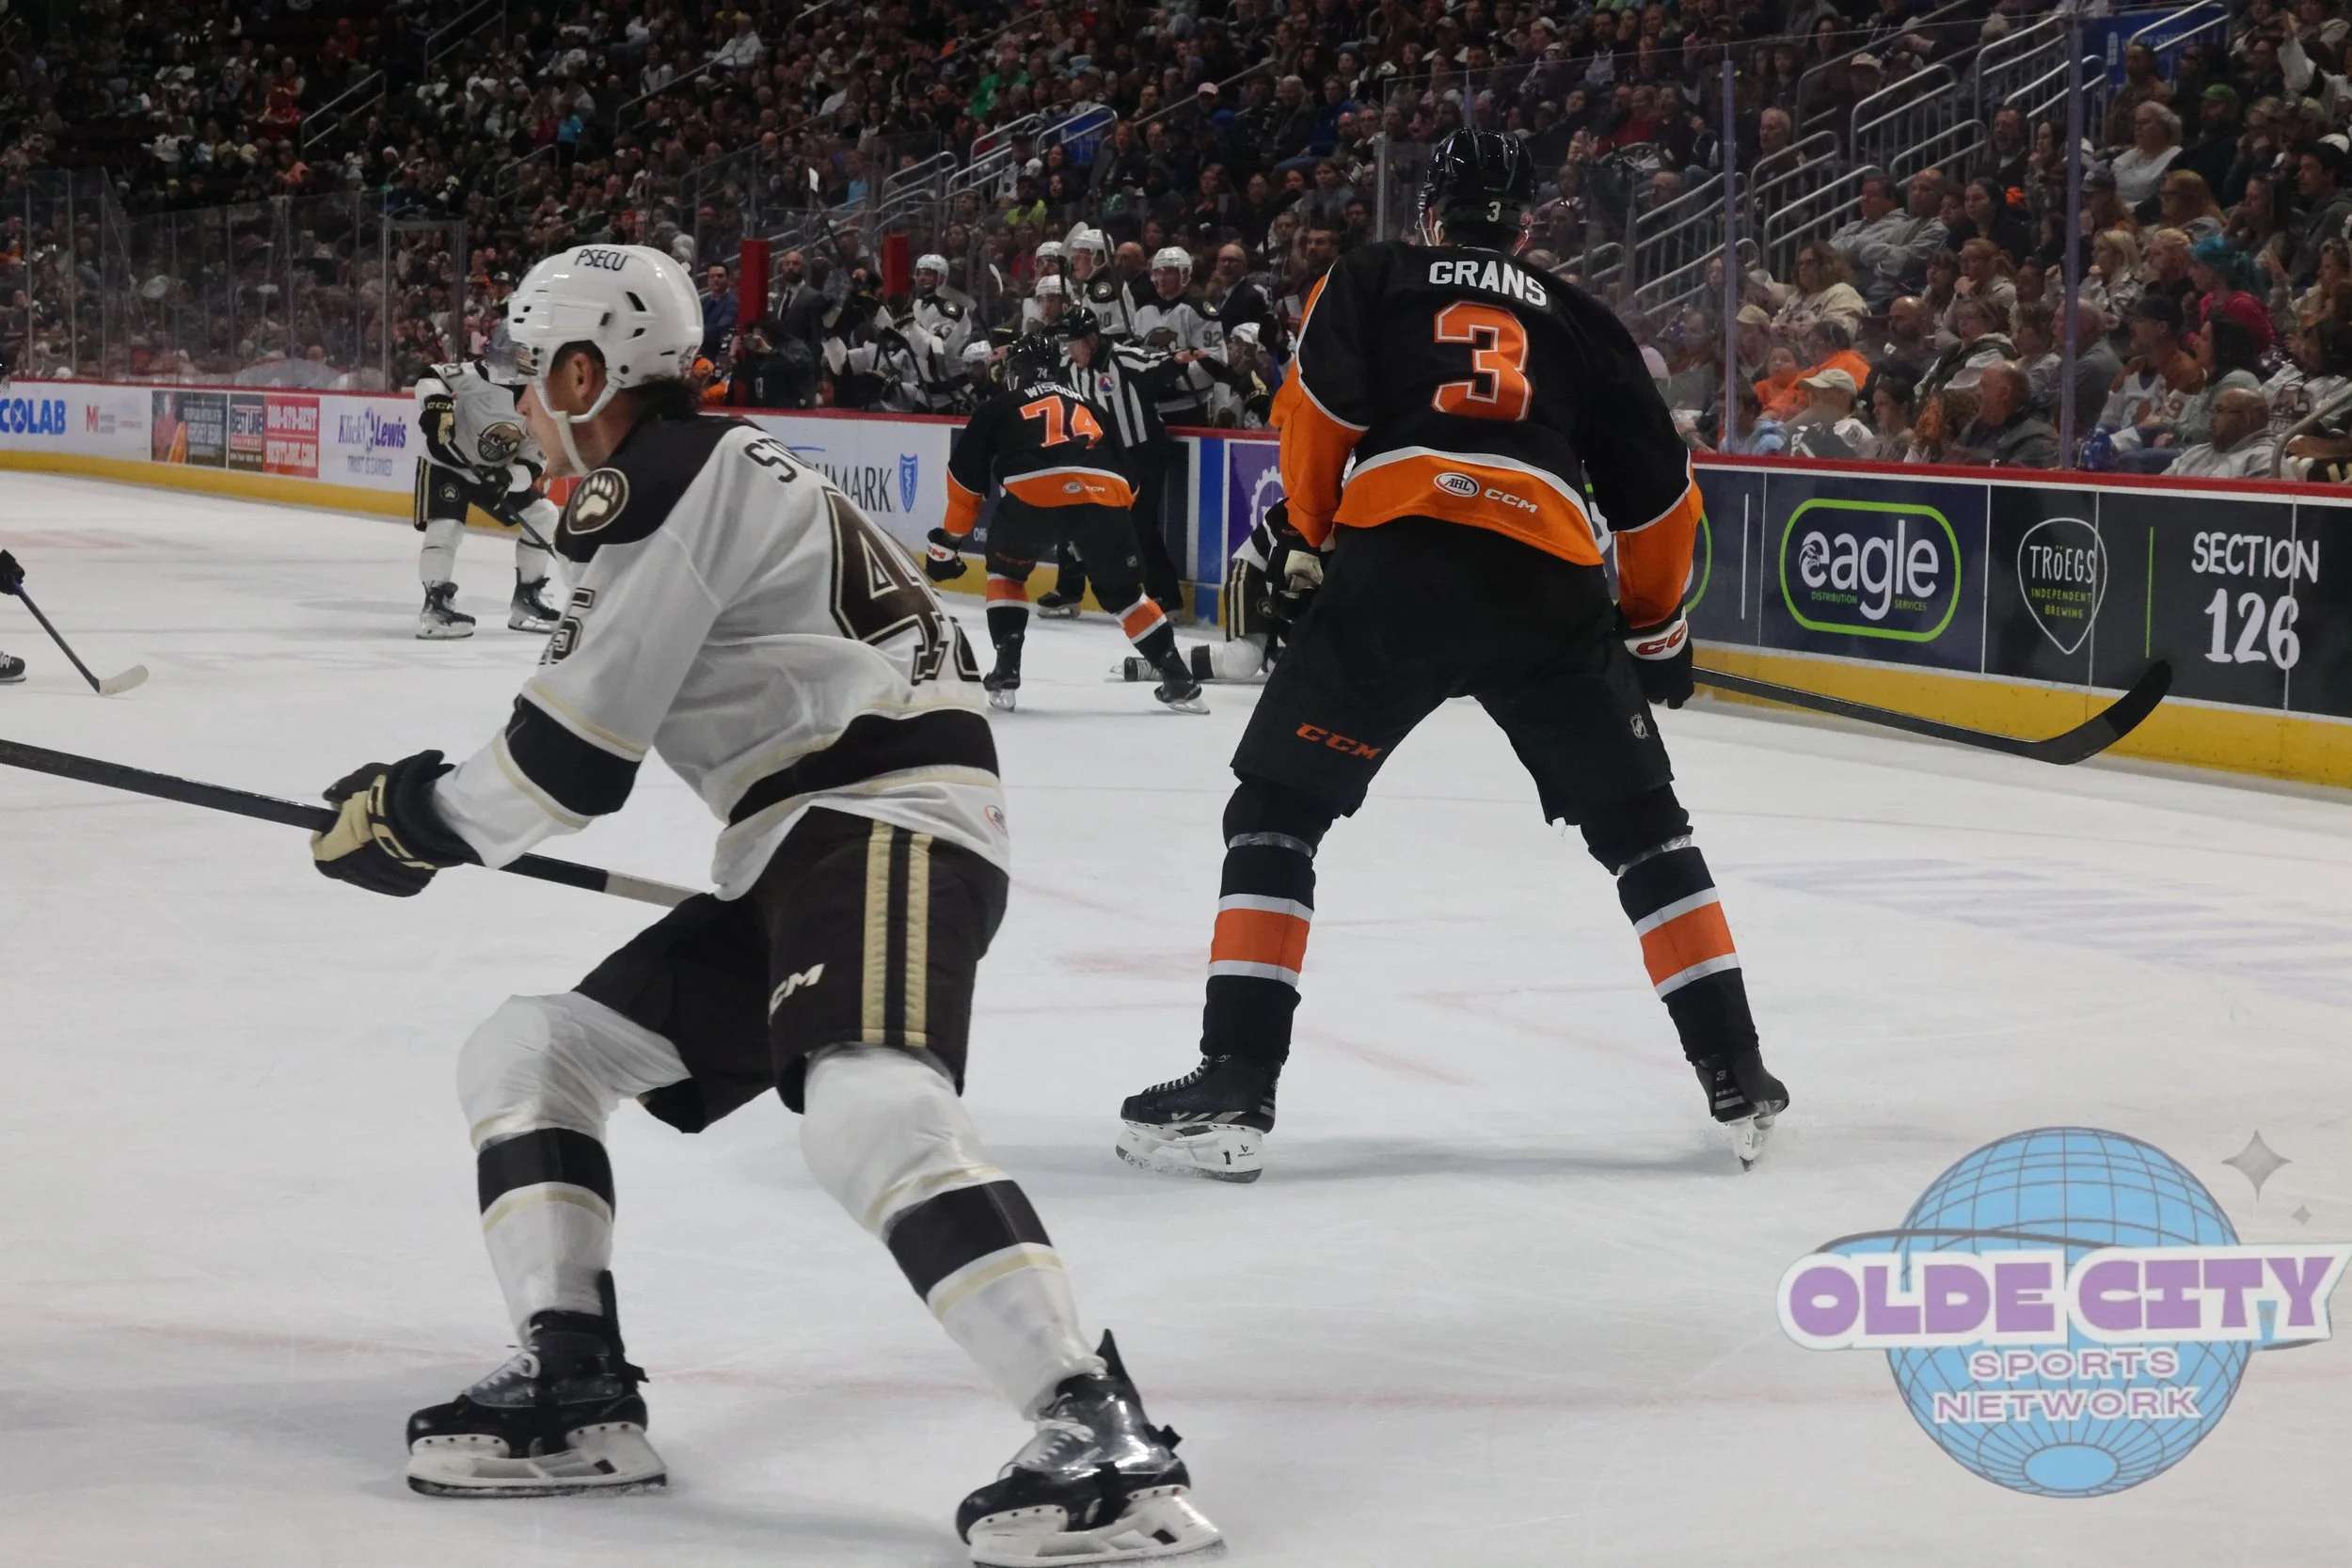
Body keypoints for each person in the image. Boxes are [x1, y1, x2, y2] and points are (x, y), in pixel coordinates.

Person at [313, 245, 1221, 1565]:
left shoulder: (678, 484)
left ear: (584, 369)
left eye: (530, 368)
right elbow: (606, 613)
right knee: (529, 1051)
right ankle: (577, 1388)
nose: (519, 393)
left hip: (887, 819)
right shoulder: (701, 472)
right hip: (803, 848)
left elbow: (562, 769)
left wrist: (411, 815)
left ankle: (1102, 1437)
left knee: (869, 1103)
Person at [1114, 130, 1788, 1183]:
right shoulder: (1579, 315)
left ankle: (1237, 1075)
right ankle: (1737, 1067)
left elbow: (1320, 413)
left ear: (1434, 212)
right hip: (1549, 582)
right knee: (1642, 828)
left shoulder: (1377, 272)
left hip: (1400, 566)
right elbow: (1659, 491)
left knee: (1276, 814)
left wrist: (1310, 533)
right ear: (1524, 225)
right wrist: (1655, 627)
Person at [924, 335, 1207, 715]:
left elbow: (965, 485)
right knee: (1124, 595)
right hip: (1103, 497)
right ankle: (1179, 678)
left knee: (1006, 574)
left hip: (1034, 494)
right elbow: (1131, 482)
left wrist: (950, 542)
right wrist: (1097, 526)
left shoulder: (1000, 405)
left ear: (1017, 372)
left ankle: (1007, 668)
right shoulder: (1091, 405)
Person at [409, 343, 564, 639]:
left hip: (494, 473)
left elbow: (534, 462)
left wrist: (508, 477)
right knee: (446, 528)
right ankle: (435, 604)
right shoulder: (486, 375)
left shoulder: (547, 404)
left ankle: (526, 601)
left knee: (543, 514)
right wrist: (436, 404)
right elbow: (434, 375)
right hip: (447, 463)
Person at [1951, 362, 2058, 467]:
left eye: (1984, 386)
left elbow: (2012, 480)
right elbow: (1951, 461)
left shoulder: (2038, 437)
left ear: (2005, 393)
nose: (1977, 392)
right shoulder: (1977, 425)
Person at [2167, 385, 2278, 476]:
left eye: (2220, 410)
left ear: (2247, 418)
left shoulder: (2265, 460)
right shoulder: (2196, 452)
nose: (2212, 417)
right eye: (2212, 411)